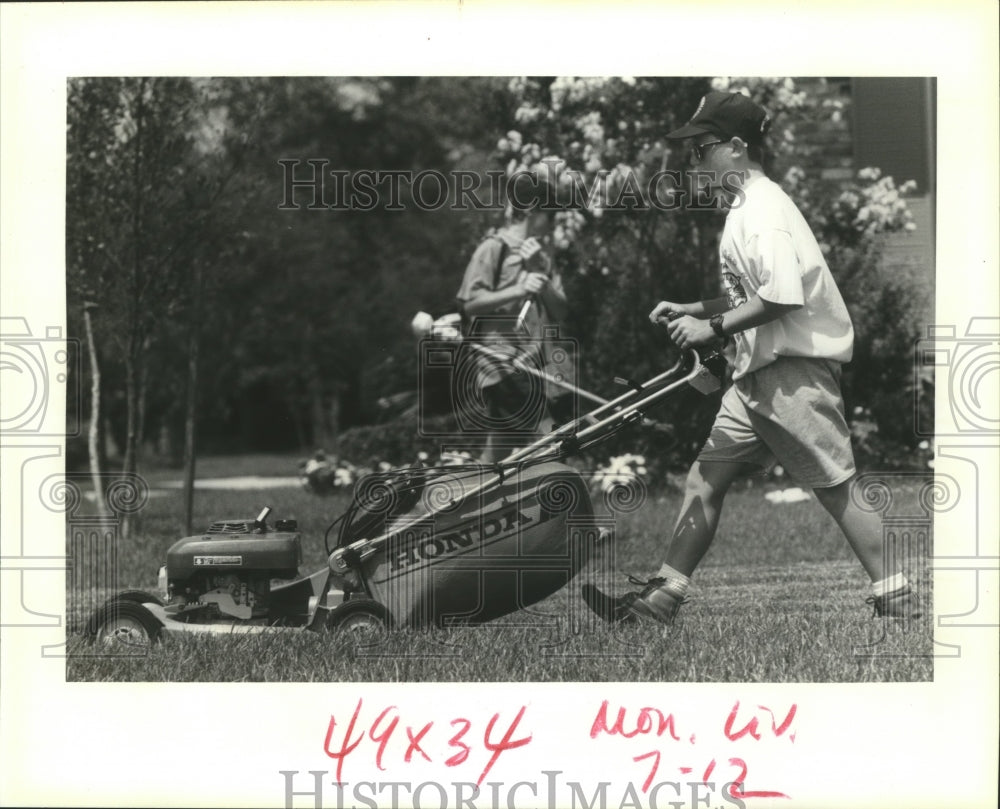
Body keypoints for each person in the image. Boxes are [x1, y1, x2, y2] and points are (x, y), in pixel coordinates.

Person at [582, 90, 920, 625]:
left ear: (737, 148)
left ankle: (897, 594)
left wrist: (708, 326)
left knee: (833, 486)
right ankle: (663, 598)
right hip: (756, 376)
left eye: (702, 149)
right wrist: (694, 307)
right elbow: (755, 293)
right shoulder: (746, 208)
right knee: (704, 479)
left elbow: (783, 295)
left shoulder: (763, 210)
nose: (693, 162)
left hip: (792, 373)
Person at [455, 169, 571, 463]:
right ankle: (555, 503)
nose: (553, 224)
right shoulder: (494, 248)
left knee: (498, 452)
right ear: (532, 211)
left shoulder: (543, 255)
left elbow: (561, 311)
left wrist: (540, 276)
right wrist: (519, 288)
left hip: (536, 363)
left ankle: (469, 503)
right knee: (550, 440)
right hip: (503, 361)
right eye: (551, 215)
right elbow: (471, 303)